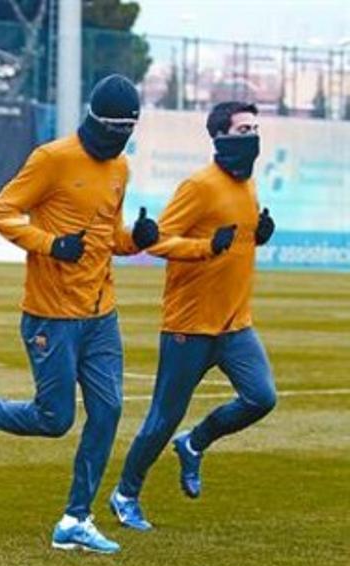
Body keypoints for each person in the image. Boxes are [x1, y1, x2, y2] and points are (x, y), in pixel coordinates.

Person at [0, 75, 160, 554]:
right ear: (95, 120)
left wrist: (137, 239)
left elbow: (108, 235)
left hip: (102, 314)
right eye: (114, 127)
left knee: (109, 410)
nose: (120, 137)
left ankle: (76, 518)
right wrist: (51, 244)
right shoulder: (52, 159)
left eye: (128, 129)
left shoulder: (120, 166)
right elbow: (1, 212)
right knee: (54, 418)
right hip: (51, 314)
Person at [109, 101, 277, 531]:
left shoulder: (249, 185)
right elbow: (158, 241)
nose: (252, 135)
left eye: (256, 127)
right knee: (162, 418)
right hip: (189, 326)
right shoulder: (199, 186)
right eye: (244, 128)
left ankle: (195, 443)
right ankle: (125, 493)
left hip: (236, 325)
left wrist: (255, 237)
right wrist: (205, 248)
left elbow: (232, 243)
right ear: (220, 135)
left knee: (262, 398)